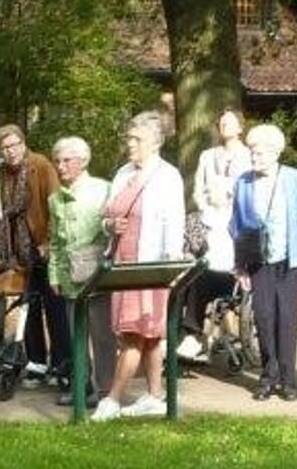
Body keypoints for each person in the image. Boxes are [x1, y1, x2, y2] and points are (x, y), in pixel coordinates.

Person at [93, 111, 185, 421]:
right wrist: (110, 226)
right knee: (146, 335)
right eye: (129, 138)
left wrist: (171, 271)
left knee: (136, 332)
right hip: (122, 264)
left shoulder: (167, 176)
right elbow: (105, 217)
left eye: (137, 139)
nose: (130, 144)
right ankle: (155, 395)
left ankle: (113, 400)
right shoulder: (122, 174)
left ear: (155, 143)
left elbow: (175, 225)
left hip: (151, 266)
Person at [230, 123, 297, 402]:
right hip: (258, 258)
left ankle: (288, 380)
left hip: (289, 259)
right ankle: (268, 377)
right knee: (263, 317)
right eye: (252, 153)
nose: (254, 158)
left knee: (286, 320)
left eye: (260, 153)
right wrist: (240, 266)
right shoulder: (243, 182)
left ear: (276, 153)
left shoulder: (295, 178)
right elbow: (237, 226)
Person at [48, 136, 113, 406]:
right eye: (57, 162)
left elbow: (112, 233)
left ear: (83, 161)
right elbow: (55, 240)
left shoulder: (104, 189)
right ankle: (82, 387)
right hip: (68, 276)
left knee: (102, 334)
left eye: (67, 161)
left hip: (98, 272)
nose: (61, 167)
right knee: (76, 333)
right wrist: (53, 274)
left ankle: (107, 391)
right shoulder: (55, 199)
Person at [0, 124, 62, 383]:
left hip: (43, 245)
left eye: (14, 145)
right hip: (19, 250)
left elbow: (56, 206)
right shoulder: (2, 172)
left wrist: (49, 241)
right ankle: (36, 362)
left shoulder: (40, 165)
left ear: (23, 143)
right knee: (28, 306)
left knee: (54, 307)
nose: (10, 152)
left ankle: (60, 364)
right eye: (4, 148)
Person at [184, 109, 251, 361]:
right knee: (193, 270)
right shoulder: (208, 156)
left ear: (240, 127)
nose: (224, 126)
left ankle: (198, 334)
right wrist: (204, 208)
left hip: (234, 221)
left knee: (215, 272)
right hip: (210, 219)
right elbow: (198, 189)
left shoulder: (248, 156)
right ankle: (188, 334)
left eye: (230, 122)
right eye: (221, 122)